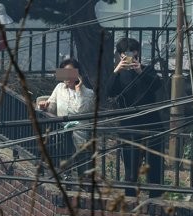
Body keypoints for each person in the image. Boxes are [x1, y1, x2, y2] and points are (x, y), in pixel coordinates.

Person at [108, 37, 167, 197]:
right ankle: (130, 201)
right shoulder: (118, 75)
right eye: (125, 54)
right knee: (130, 171)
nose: (129, 57)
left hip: (152, 123)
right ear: (120, 55)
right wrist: (116, 71)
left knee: (154, 168)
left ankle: (156, 202)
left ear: (138, 53)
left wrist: (140, 71)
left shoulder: (147, 70)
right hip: (128, 126)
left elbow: (156, 86)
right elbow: (108, 92)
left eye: (132, 53)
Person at [37, 58, 96, 179]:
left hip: (81, 136)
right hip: (63, 135)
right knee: (64, 167)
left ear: (78, 74)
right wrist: (44, 106)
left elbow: (81, 110)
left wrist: (79, 90)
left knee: (84, 174)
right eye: (64, 73)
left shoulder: (89, 93)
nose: (67, 77)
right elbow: (52, 107)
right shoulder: (59, 88)